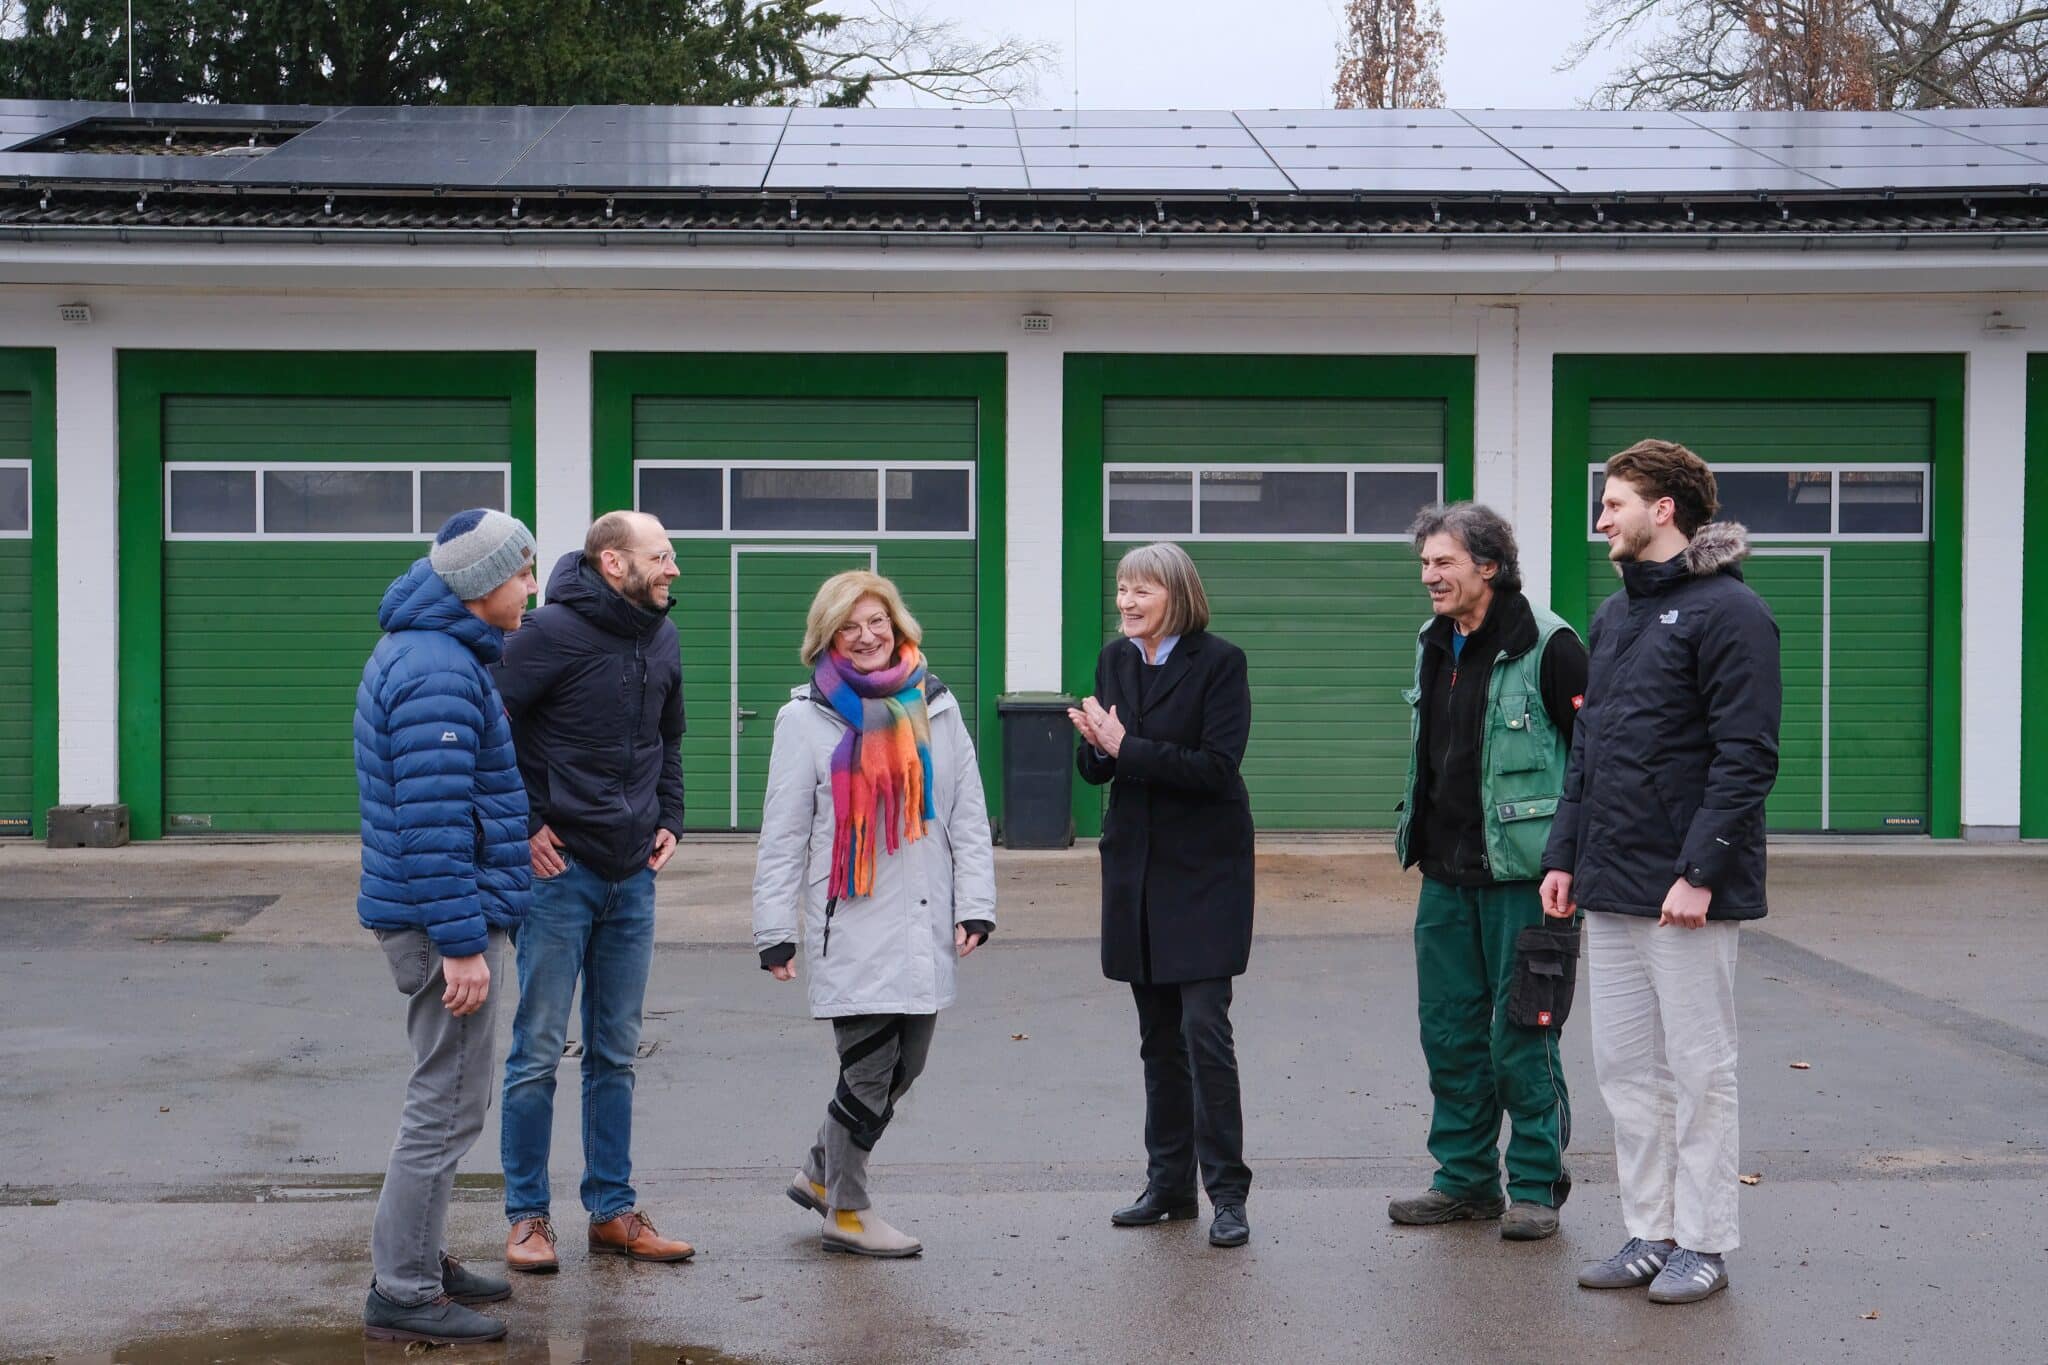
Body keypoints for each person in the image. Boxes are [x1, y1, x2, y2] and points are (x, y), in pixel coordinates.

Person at [1541, 440, 1780, 1306]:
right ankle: (1651, 1229)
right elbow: (1591, 753)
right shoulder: (1614, 618)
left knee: (1700, 1068)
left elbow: (1746, 756)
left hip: (1686, 891)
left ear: (1664, 509)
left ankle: (1706, 1242)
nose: (1602, 517)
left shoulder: (1731, 613)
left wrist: (1700, 872)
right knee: (1626, 1069)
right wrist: (1563, 853)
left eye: (1614, 501)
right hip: (1609, 881)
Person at [752, 570, 996, 1258]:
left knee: (907, 1064)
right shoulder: (805, 717)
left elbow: (967, 815)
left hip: (924, 916)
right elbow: (783, 831)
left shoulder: (937, 706)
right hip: (849, 920)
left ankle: (820, 1168)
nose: (865, 636)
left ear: (898, 625)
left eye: (876, 622)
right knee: (867, 1069)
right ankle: (848, 1210)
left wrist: (976, 902)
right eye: (848, 627)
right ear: (827, 637)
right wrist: (775, 927)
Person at [354, 508, 537, 1345]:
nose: (532, 586)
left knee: (449, 1095)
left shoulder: (437, 652)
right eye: (522, 571)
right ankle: (404, 1288)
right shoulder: (436, 671)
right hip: (444, 924)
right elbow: (430, 821)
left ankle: (419, 1257)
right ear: (478, 583)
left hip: (441, 913)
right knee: (447, 1102)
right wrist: (464, 944)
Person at [493, 510, 694, 1272]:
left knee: (615, 1049)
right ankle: (527, 1217)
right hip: (559, 875)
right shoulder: (545, 633)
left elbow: (667, 736)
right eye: (661, 555)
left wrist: (671, 814)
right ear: (613, 563)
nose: (673, 568)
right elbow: (492, 722)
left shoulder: (662, 635)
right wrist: (525, 822)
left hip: (632, 873)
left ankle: (611, 1210)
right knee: (538, 1048)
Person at [1390, 503, 1588, 1242]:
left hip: (1528, 879)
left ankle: (1536, 1183)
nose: (1429, 576)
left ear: (1489, 566)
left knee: (1522, 1032)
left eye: (1443, 562)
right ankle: (1465, 1179)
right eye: (1425, 564)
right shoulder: (1432, 642)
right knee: (1449, 1031)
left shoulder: (1550, 643)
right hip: (1445, 875)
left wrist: (1570, 858)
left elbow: (1593, 760)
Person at [1069, 542, 1255, 1250]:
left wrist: (1125, 745)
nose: (1125, 602)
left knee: (1204, 1030)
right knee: (1157, 1038)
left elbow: (1216, 766)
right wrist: (1094, 743)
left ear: (1176, 594)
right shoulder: (1116, 661)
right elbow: (1102, 768)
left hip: (1205, 873)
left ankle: (1228, 1193)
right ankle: (1169, 1184)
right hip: (1138, 873)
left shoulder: (1220, 663)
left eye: (1140, 590)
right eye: (1120, 588)